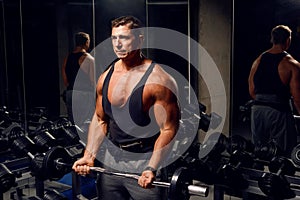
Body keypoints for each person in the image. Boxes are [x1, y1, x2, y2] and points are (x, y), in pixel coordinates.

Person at [72, 16, 180, 200]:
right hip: (111, 162)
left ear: (140, 39)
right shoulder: (106, 76)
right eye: (114, 38)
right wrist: (89, 155)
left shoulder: (159, 81)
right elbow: (100, 119)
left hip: (143, 163)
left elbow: (168, 129)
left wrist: (151, 167)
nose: (118, 44)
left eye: (124, 38)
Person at [248, 24, 300, 157]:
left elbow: (252, 90)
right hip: (279, 111)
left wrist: (263, 103)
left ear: (273, 39)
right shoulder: (291, 64)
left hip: (257, 110)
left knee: (259, 152)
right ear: (288, 40)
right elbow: (297, 97)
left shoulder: (258, 60)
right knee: (283, 155)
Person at [62, 32, 95, 128]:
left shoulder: (67, 58)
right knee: (85, 125)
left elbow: (65, 80)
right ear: (87, 42)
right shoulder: (88, 58)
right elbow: (93, 81)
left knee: (73, 126)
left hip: (70, 93)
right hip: (84, 94)